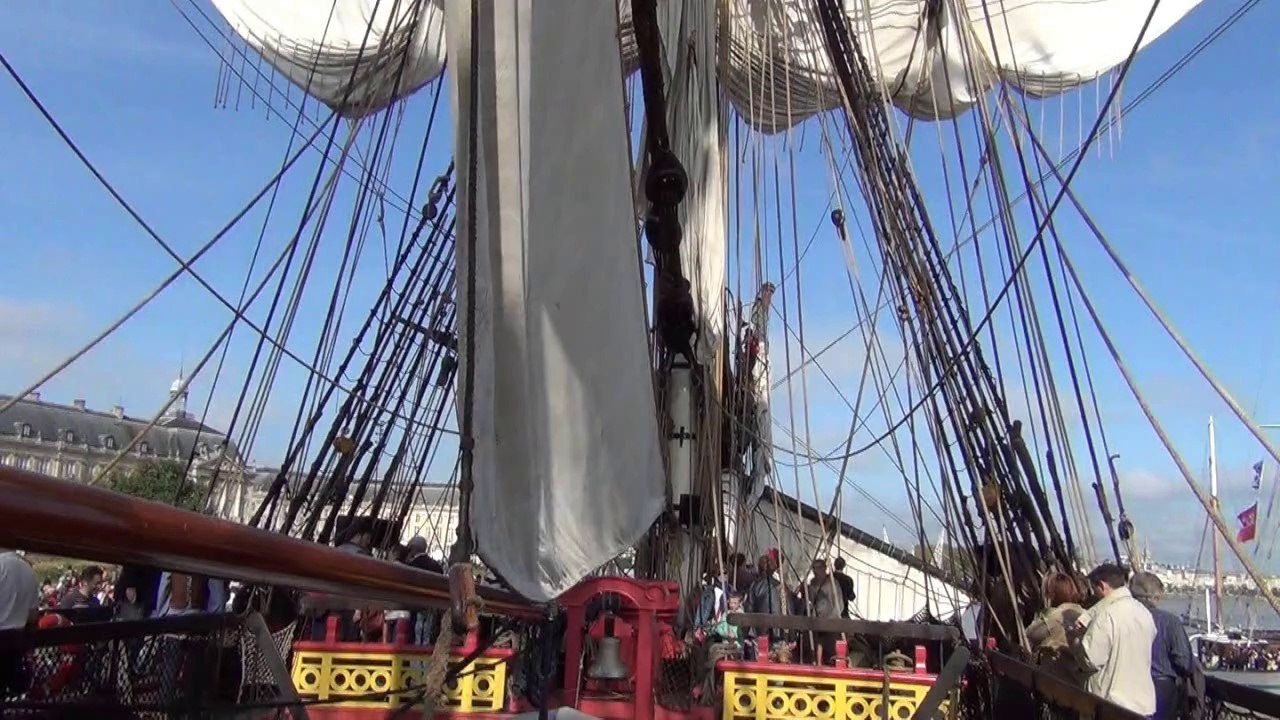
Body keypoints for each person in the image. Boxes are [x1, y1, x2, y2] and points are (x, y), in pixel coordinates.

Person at [1073, 563, 1156, 716]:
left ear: (1102, 586)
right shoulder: (1144, 613)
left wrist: (1078, 639)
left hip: (1111, 704)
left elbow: (1091, 659)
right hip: (1143, 704)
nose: (1094, 594)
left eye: (1094, 588)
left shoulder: (1106, 615)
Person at [1130, 571, 1196, 720]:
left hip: (1128, 686)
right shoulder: (1170, 622)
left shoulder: (1122, 618)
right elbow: (1184, 661)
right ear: (1156, 596)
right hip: (1161, 687)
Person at [1026, 572, 1092, 685]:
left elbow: (1030, 634)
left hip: (1058, 683)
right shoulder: (1086, 614)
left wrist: (1044, 613)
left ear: (1051, 594)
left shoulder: (1052, 617)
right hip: (1083, 684)